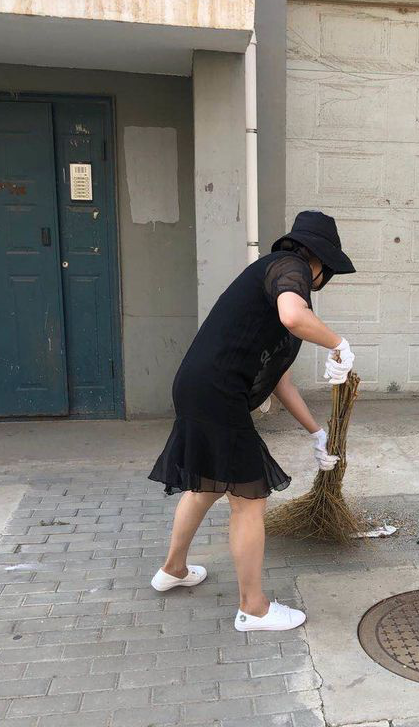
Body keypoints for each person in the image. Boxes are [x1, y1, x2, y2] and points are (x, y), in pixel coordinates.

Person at [148, 209, 356, 631]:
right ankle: (254, 608)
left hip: (197, 387)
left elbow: (279, 380)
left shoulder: (273, 277)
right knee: (249, 501)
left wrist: (316, 432)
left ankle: (173, 569)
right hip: (218, 393)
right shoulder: (290, 268)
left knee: (207, 486)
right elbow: (294, 317)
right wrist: (339, 344)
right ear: (321, 261)